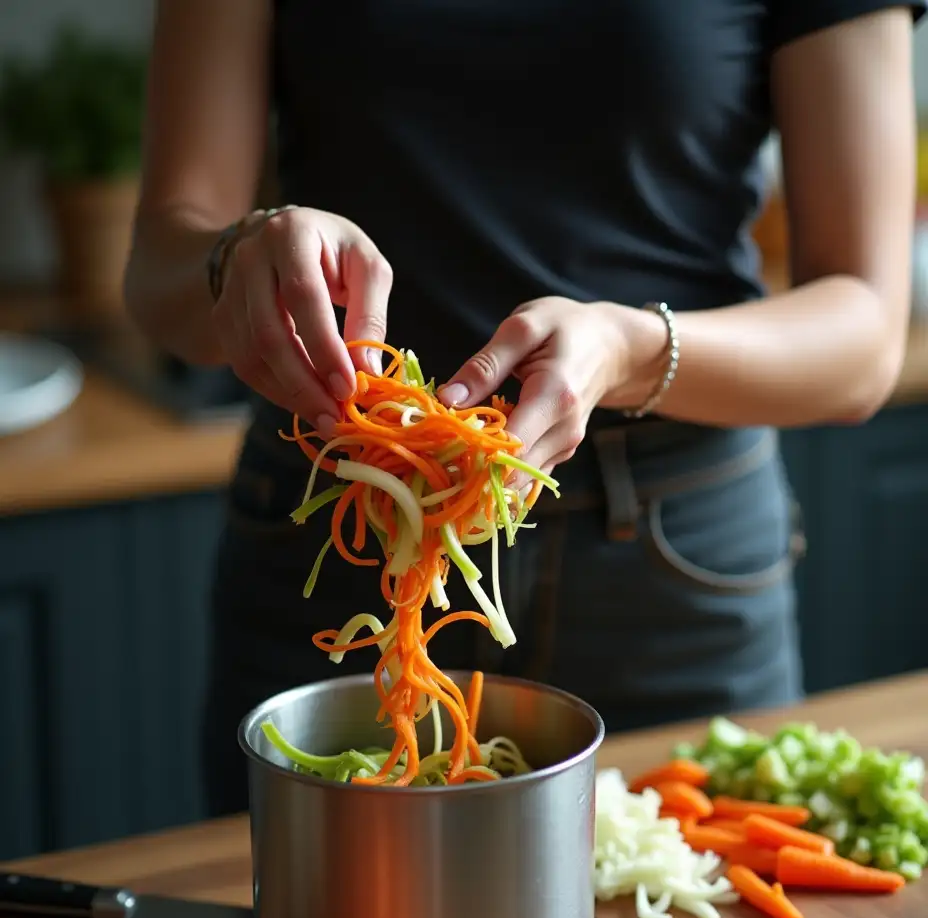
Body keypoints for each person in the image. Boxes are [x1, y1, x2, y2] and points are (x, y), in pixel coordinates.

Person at [125, 0, 923, 818]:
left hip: (675, 560)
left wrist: (627, 348)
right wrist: (235, 257)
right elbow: (157, 271)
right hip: (337, 517)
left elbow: (864, 336)